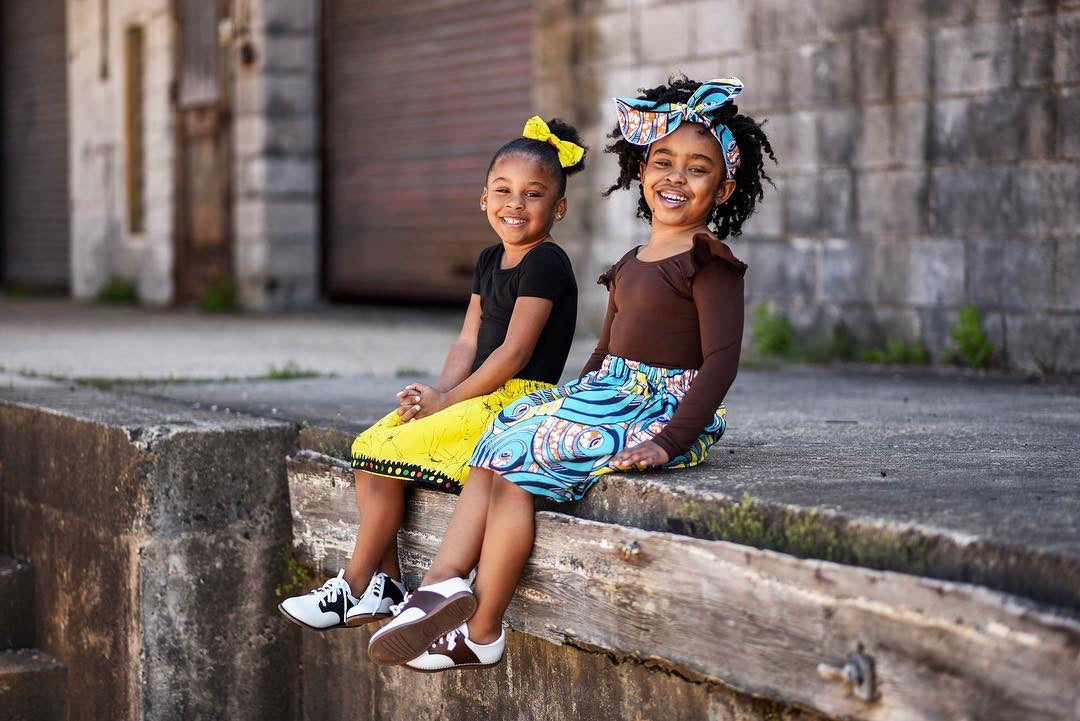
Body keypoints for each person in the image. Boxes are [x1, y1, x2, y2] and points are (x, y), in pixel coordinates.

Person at [367, 76, 776, 671]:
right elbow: (603, 354)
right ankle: (441, 584)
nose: (675, 178)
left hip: (656, 408)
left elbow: (722, 361)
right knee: (498, 441)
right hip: (607, 394)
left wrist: (670, 439)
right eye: (664, 161)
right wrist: (565, 401)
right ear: (640, 170)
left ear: (724, 186)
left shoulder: (708, 261)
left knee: (517, 477)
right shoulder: (631, 262)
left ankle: (482, 632)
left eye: (697, 169)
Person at [277, 116, 587, 631]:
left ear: (558, 208)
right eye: (503, 190)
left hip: (515, 402)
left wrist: (450, 403)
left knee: (385, 451)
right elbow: (468, 340)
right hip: (473, 393)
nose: (515, 204)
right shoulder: (489, 260)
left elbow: (512, 353)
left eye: (533, 195)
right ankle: (387, 585)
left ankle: (353, 584)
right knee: (374, 442)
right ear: (483, 199)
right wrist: (436, 394)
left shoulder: (547, 262)